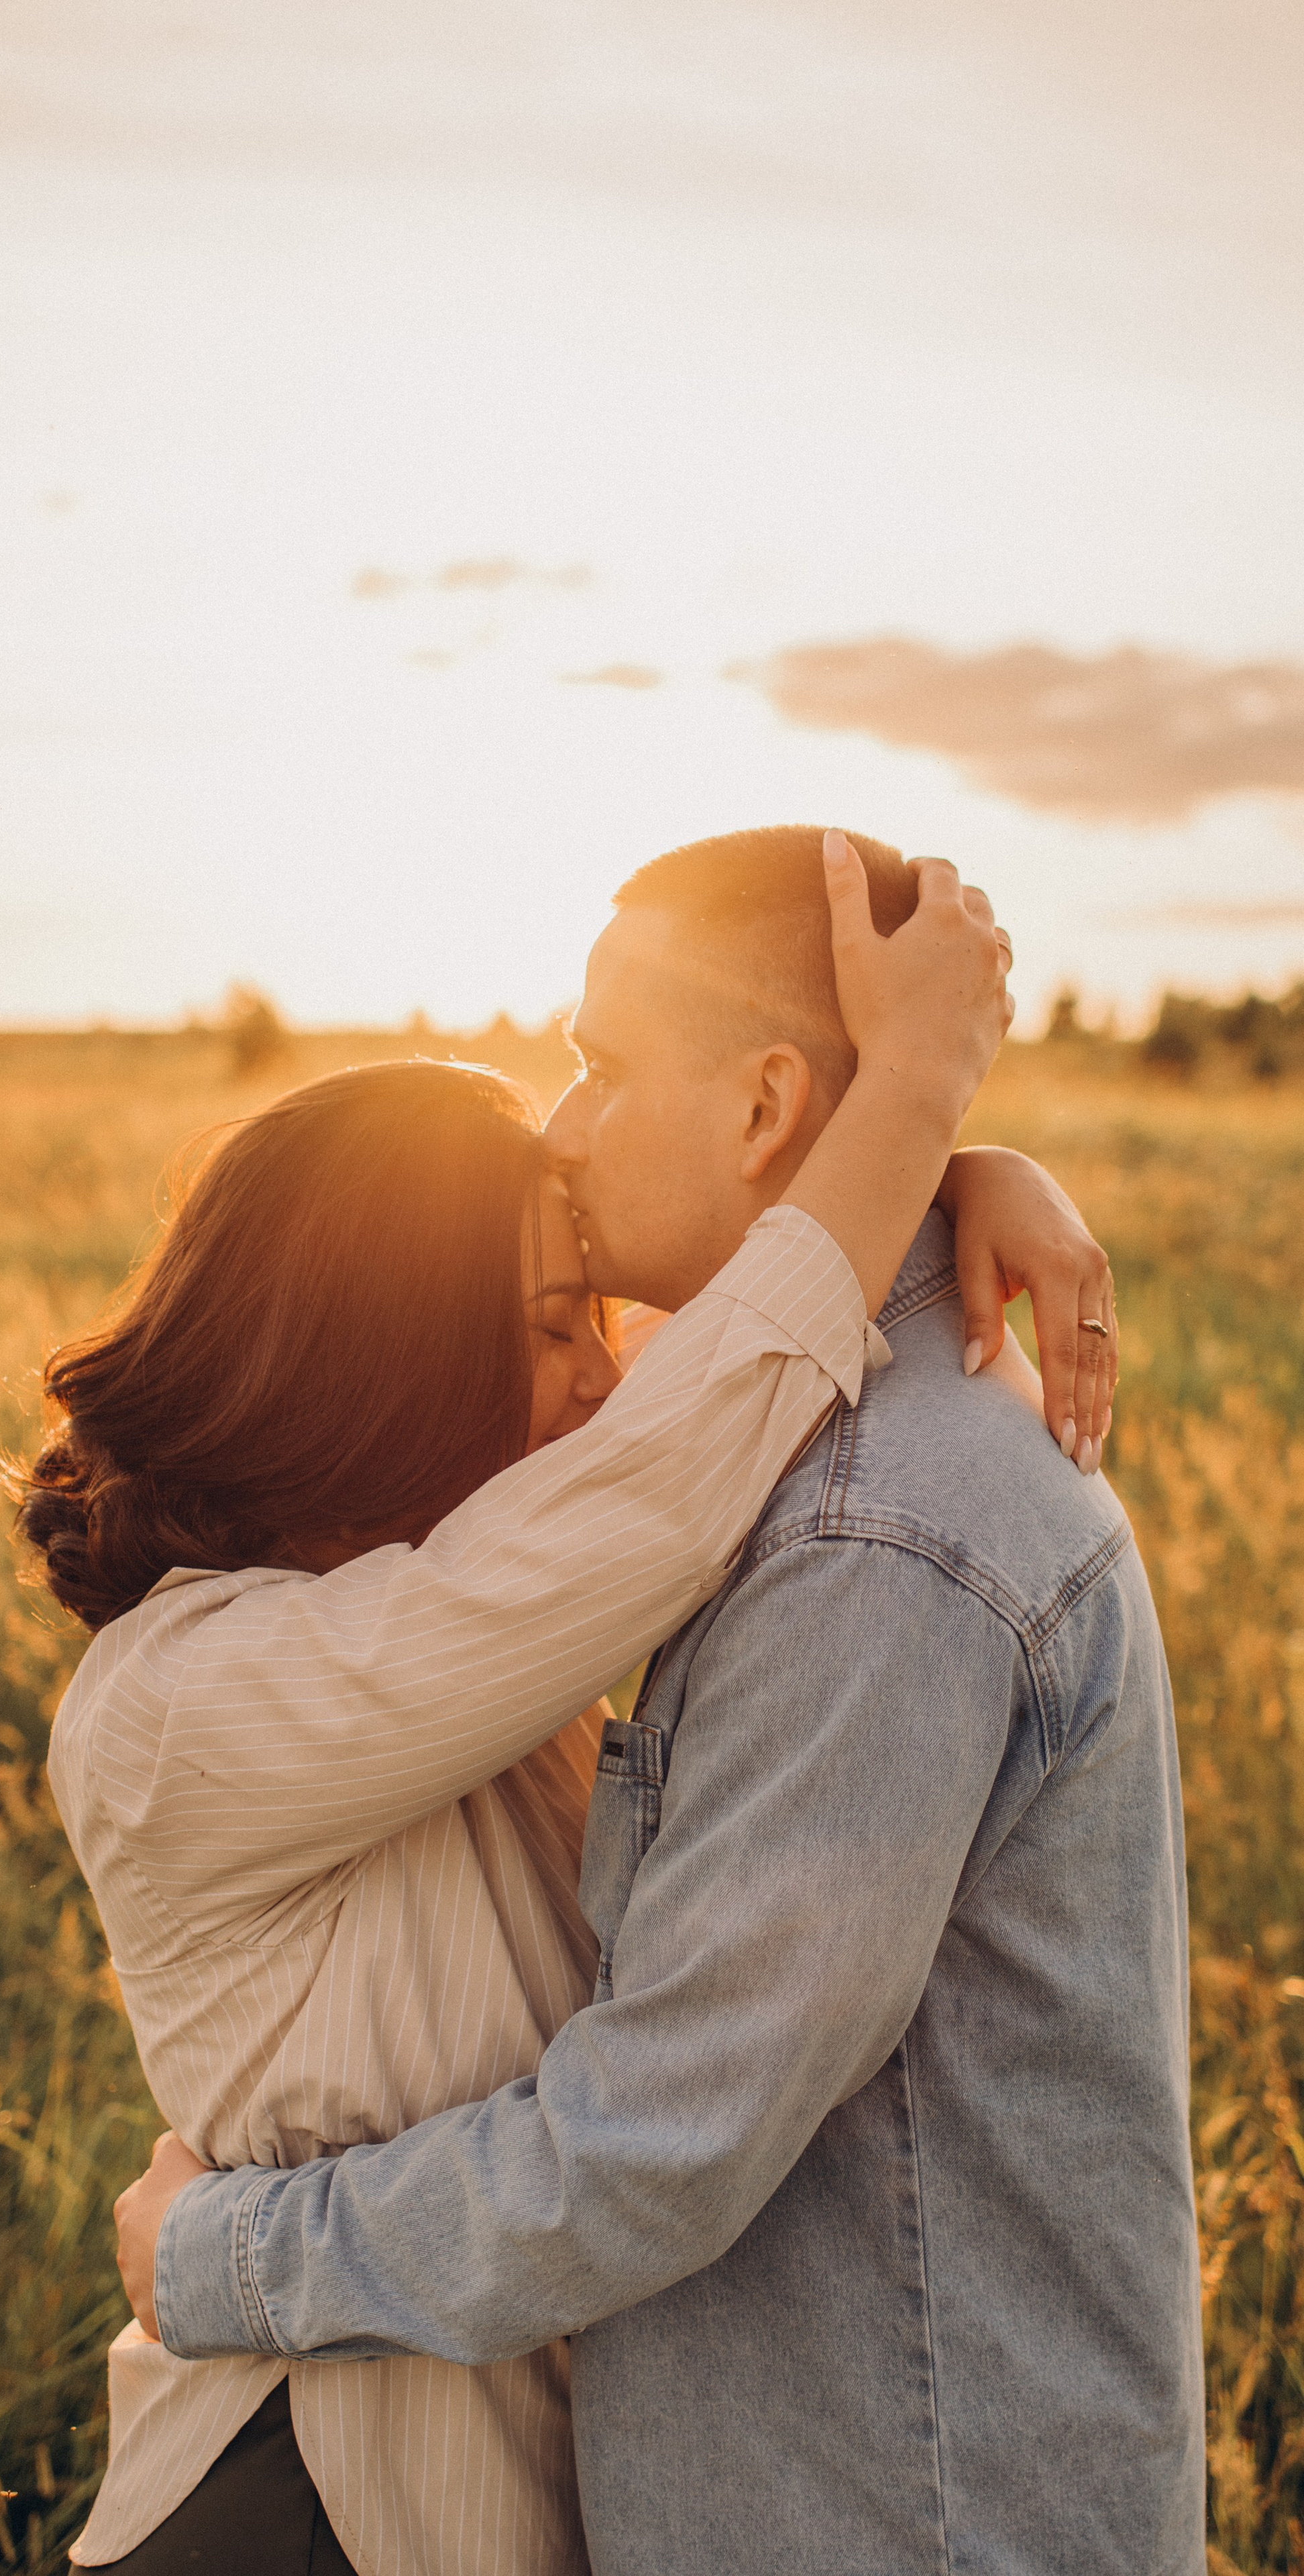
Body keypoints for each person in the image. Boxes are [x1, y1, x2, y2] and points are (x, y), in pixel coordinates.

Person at [127, 825, 1201, 2575]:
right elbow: (654, 1418)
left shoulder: (869, 1535)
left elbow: (659, 2142)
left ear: (771, 1107)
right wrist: (945, 1157)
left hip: (894, 2519)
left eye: (604, 1066)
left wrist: (226, 2258)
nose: (560, 1122)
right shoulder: (784, 1448)